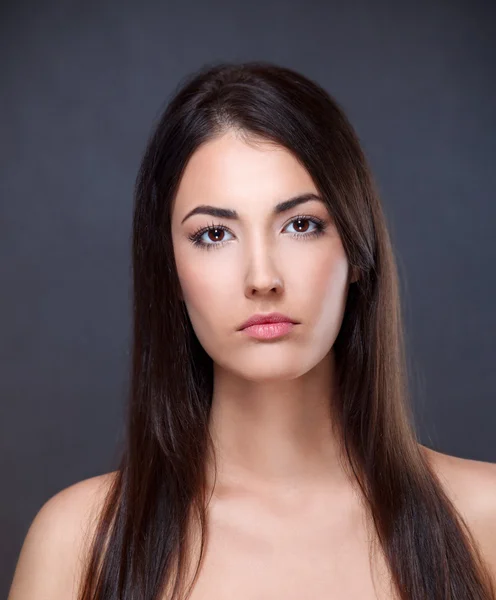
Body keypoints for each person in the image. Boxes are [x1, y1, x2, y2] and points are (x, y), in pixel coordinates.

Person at [8, 61, 496, 600]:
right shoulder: (79, 546)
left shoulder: (484, 521)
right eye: (214, 234)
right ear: (168, 268)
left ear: (358, 252)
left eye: (301, 225)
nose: (262, 277)